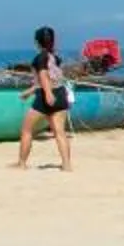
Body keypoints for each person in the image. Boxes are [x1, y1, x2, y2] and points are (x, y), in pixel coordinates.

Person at [15, 25, 75, 171]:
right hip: (61, 94)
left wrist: (48, 94)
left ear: (36, 42)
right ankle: (66, 164)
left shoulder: (40, 57)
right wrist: (29, 91)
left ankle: (21, 164)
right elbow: (47, 80)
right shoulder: (55, 58)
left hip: (47, 96)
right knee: (59, 132)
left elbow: (43, 75)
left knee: (26, 130)